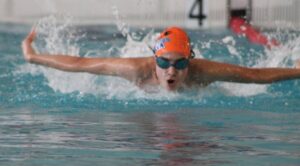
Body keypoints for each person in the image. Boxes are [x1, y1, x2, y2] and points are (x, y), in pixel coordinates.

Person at [22, 26, 300, 92]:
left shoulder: (203, 72)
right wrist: (33, 57)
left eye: (180, 64)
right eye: (165, 63)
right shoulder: (134, 70)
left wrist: (297, 71)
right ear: (154, 59)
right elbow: (80, 64)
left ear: (189, 62)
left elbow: (255, 75)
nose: (172, 71)